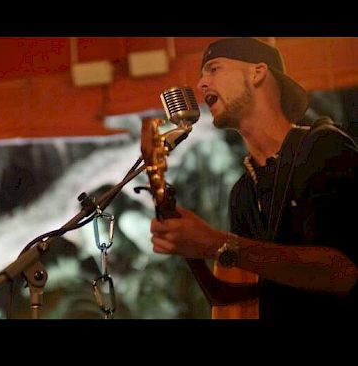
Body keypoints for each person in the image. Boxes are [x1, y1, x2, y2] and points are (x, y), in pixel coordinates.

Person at [150, 37, 358, 319]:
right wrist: (191, 248)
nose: (201, 84)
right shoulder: (243, 192)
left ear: (257, 72)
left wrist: (216, 243)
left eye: (214, 69)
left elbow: (342, 272)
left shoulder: (323, 148)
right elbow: (230, 297)